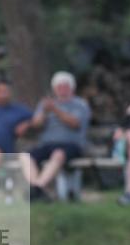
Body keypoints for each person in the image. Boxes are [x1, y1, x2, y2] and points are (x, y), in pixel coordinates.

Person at [20, 71, 92, 202]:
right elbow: (36, 125)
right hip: (47, 145)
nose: (62, 89)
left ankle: (37, 188)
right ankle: (36, 188)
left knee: (58, 154)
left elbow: (75, 123)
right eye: (59, 86)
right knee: (25, 156)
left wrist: (55, 110)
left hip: (72, 145)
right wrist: (43, 112)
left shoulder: (80, 104)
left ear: (72, 88)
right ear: (54, 89)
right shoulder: (45, 104)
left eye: (65, 86)